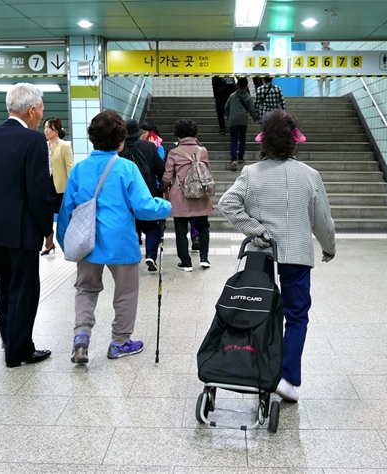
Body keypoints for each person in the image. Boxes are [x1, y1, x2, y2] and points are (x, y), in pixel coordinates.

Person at [218, 110, 336, 402]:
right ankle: (287, 378)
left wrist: (256, 230)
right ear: (295, 141)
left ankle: (257, 368)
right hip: (297, 254)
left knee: (262, 311)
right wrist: (328, 247)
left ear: (264, 141)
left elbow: (226, 204)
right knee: (296, 316)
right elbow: (322, 220)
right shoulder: (310, 176)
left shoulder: (251, 173)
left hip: (262, 254)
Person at [57, 110, 171, 364]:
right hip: (120, 242)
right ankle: (119, 342)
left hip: (87, 242)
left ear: (92, 140)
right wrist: (165, 207)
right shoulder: (126, 168)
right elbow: (142, 207)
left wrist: (65, 240)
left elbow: (66, 210)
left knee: (86, 289)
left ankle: (82, 336)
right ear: (121, 142)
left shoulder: (79, 170)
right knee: (126, 293)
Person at [0, 83, 55, 368]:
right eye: (40, 110)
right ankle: (17, 351)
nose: (41, 116)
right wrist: (47, 230)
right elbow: (37, 191)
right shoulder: (33, 141)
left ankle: (12, 341)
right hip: (21, 230)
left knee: (4, 285)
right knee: (24, 289)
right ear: (31, 110)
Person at [161, 118, 213, 272]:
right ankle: (204, 258)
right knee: (203, 227)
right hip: (200, 194)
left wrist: (163, 188)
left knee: (181, 230)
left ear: (178, 134)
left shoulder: (174, 152)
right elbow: (207, 171)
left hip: (180, 195)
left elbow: (167, 175)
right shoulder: (202, 151)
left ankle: (186, 262)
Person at [120, 119, 166, 273]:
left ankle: (132, 257)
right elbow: (161, 170)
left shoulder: (119, 150)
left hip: (125, 196)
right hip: (147, 194)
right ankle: (151, 255)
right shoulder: (150, 147)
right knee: (152, 227)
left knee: (132, 227)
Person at [41, 116, 73, 255]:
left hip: (60, 187)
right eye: (45, 128)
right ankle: (49, 243)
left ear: (57, 129)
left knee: (65, 217)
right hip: (45, 186)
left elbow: (69, 168)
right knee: (45, 216)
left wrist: (71, 189)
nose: (46, 130)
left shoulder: (65, 146)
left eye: (49, 127)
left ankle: (70, 244)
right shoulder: (41, 145)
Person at [224, 77, 258, 171]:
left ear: (237, 85)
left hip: (233, 120)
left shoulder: (232, 96)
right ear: (247, 86)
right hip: (243, 120)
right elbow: (252, 109)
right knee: (242, 138)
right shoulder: (248, 97)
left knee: (234, 140)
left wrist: (229, 117)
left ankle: (233, 159)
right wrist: (255, 118)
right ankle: (241, 157)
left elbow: (226, 107)